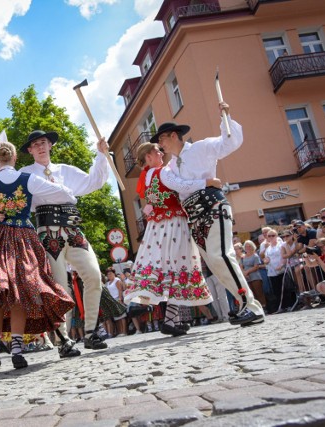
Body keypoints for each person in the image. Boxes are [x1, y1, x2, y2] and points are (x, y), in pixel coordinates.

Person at [0, 141, 76, 370]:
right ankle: (17, 351)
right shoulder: (28, 179)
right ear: (15, 158)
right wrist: (67, 195)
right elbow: (65, 195)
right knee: (20, 293)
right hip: (23, 239)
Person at [0, 129, 110, 354]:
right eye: (35, 144)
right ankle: (63, 340)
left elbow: (93, 181)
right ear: (29, 150)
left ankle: (91, 332)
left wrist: (101, 155)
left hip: (74, 228)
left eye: (43, 142)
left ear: (50, 145)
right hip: (47, 232)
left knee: (94, 275)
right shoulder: (25, 174)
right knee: (57, 287)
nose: (40, 147)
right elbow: (7, 196)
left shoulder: (66, 170)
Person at [155, 103, 265, 326]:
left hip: (213, 205)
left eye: (162, 139)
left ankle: (252, 307)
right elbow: (180, 186)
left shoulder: (201, 148)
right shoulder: (168, 169)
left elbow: (229, 143)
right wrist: (205, 182)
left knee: (221, 255)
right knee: (215, 264)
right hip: (195, 215)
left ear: (174, 135)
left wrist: (226, 118)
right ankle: (244, 303)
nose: (160, 145)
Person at [124, 142, 214, 336]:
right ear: (148, 156)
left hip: (157, 227)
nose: (161, 152)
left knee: (170, 268)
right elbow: (181, 186)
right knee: (178, 268)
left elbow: (151, 203)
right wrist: (206, 182)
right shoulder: (162, 172)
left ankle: (177, 319)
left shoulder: (146, 177)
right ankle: (171, 321)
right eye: (157, 151)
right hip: (173, 222)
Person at [241, 241, 267, 308]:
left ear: (252, 247)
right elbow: (241, 266)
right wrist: (244, 273)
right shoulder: (243, 257)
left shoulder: (255, 256)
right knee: (251, 294)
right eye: (246, 246)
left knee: (259, 293)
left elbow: (256, 267)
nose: (248, 247)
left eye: (249, 246)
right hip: (247, 277)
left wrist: (247, 272)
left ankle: (263, 306)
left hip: (255, 276)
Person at [104, 268, 127, 337]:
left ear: (114, 273)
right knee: (117, 317)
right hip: (112, 301)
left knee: (122, 316)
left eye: (110, 273)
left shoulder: (117, 280)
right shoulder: (108, 283)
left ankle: (124, 331)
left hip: (117, 299)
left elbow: (120, 290)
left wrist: (120, 298)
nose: (109, 275)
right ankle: (120, 331)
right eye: (108, 274)